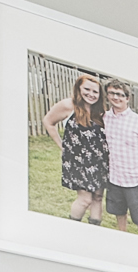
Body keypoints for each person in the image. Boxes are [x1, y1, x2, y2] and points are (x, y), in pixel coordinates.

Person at [42, 73, 107, 226]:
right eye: (87, 89)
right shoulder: (68, 106)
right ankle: (73, 228)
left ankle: (94, 230)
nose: (91, 94)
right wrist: (62, 146)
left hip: (99, 162)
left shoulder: (99, 111)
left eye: (95, 91)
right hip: (78, 162)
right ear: (79, 88)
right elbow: (48, 121)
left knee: (97, 198)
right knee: (85, 200)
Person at [101, 80, 138, 236]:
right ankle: (122, 236)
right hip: (114, 178)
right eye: (112, 93)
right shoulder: (104, 118)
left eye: (120, 94)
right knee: (119, 211)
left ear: (127, 98)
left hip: (135, 181)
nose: (115, 97)